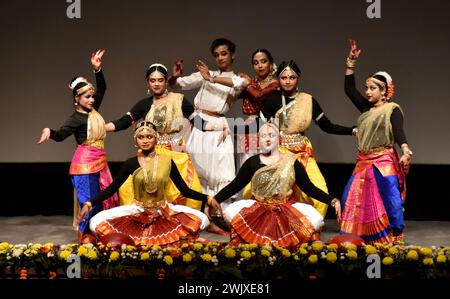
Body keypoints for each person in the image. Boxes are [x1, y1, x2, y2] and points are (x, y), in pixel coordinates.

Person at [77, 121, 221, 245]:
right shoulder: (130, 163)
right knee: (96, 221)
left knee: (202, 219)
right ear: (136, 141)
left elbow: (185, 190)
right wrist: (89, 204)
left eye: (149, 137)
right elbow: (112, 189)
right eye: (141, 137)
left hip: (162, 210)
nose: (145, 141)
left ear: (156, 139)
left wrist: (208, 198)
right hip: (138, 210)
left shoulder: (167, 162)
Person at [210, 123, 341, 248]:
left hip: (285, 209)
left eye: (271, 136)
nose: (267, 140)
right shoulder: (252, 162)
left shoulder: (292, 162)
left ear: (279, 139)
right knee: (230, 212)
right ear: (259, 140)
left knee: (316, 219)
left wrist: (332, 201)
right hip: (258, 210)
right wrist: (214, 199)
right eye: (263, 136)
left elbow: (309, 188)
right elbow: (235, 186)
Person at [37, 50, 119, 242]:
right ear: (76, 98)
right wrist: (50, 131)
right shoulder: (75, 118)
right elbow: (61, 135)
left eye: (92, 96)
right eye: (86, 97)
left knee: (102, 200)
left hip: (99, 160)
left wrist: (97, 69)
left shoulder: (92, 110)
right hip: (84, 164)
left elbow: (103, 87)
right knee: (89, 202)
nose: (91, 100)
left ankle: (97, 234)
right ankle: (85, 237)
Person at [105, 63, 207, 211]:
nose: (157, 84)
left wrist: (219, 126)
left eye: (160, 80)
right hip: (150, 155)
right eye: (153, 80)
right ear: (148, 83)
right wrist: (101, 126)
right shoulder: (144, 104)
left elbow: (199, 122)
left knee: (187, 191)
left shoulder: (178, 100)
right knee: (130, 189)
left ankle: (178, 228)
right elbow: (124, 122)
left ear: (166, 81)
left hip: (176, 155)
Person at [339, 39, 412, 244]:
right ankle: (362, 236)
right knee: (350, 199)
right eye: (367, 87)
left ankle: (396, 235)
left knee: (391, 199)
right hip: (363, 160)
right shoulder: (366, 108)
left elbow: (398, 131)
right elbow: (349, 89)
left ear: (384, 91)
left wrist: (405, 150)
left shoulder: (392, 109)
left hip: (384, 159)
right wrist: (351, 62)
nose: (368, 92)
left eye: (372, 88)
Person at [168, 38, 247, 198]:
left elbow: (240, 84)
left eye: (224, 54)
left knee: (219, 168)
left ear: (232, 55)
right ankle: (200, 205)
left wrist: (210, 78)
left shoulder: (238, 78)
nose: (220, 58)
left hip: (217, 124)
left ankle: (219, 208)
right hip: (197, 122)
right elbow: (177, 85)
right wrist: (174, 77)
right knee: (197, 165)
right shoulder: (206, 74)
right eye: (216, 55)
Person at [198, 49, 279, 166]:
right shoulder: (252, 83)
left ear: (271, 64)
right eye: (256, 63)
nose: (260, 66)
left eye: (263, 61)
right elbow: (232, 90)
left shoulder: (275, 84)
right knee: (247, 165)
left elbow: (259, 96)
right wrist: (211, 78)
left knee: (267, 167)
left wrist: (247, 83)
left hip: (268, 127)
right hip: (249, 129)